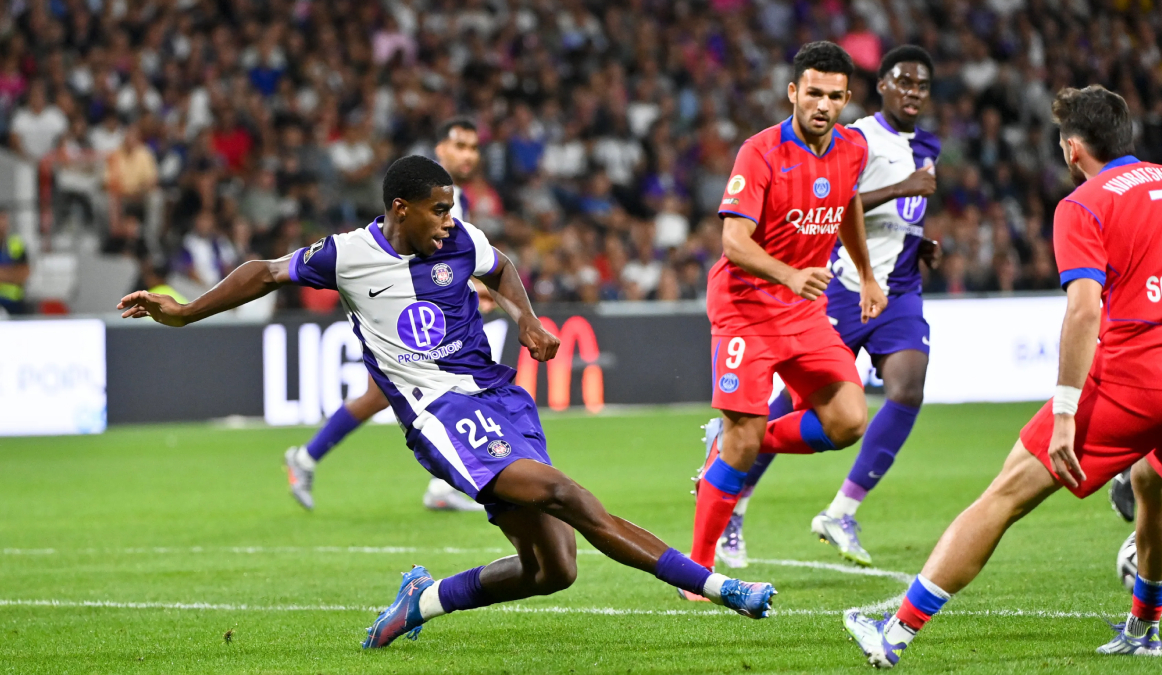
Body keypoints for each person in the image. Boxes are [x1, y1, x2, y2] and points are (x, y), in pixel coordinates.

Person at [118, 155, 777, 648]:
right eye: (437, 208)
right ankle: (722, 588)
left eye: (451, 208)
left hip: (499, 398)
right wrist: (183, 312)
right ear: (399, 207)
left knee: (555, 569)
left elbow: (503, 267)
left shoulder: (459, 239)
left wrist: (522, 316)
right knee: (566, 494)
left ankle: (423, 600)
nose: (449, 220)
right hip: (439, 415)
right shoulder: (345, 256)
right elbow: (263, 272)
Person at [846, 85, 1162, 666]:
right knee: (1155, 481)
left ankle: (895, 633)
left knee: (1004, 495)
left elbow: (1085, 310)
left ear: (1071, 149)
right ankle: (1144, 629)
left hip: (1136, 382)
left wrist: (1065, 413)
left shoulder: (1085, 202)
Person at [715, 46, 943, 569]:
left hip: (897, 287)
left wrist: (919, 239)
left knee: (908, 388)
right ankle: (734, 489)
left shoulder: (928, 143)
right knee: (801, 406)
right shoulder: (855, 134)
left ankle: (842, 510)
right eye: (903, 82)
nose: (912, 92)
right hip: (835, 284)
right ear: (881, 86)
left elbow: (901, 213)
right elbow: (841, 203)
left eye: (922, 85)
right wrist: (902, 188)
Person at [686, 41, 887, 597]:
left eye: (835, 96)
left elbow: (845, 206)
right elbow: (733, 240)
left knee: (848, 420)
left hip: (802, 311)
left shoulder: (852, 149)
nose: (823, 104)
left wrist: (866, 274)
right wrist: (790, 274)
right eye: (814, 93)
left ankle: (730, 446)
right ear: (794, 92)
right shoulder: (760, 151)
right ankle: (695, 572)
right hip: (745, 308)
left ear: (847, 100)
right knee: (742, 439)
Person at [284, 117, 484, 512]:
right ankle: (306, 458)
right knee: (443, 383)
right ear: (440, 147)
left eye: (474, 148)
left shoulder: (450, 194)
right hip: (397, 306)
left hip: (419, 308)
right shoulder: (424, 189)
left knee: (393, 393)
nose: (468, 155)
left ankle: (307, 458)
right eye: (459, 145)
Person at [0, 211, 29, 315]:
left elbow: (24, 273)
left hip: (14, 304)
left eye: (4, 219)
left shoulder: (15, 244)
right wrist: (11, 273)